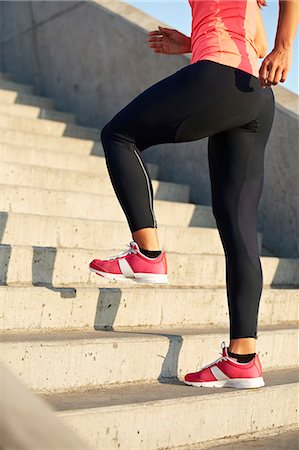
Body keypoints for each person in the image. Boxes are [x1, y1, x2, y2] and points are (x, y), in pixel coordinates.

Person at [89, 0, 298, 388]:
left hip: (221, 75)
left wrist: (285, 46)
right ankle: (242, 358)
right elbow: (239, 25)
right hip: (253, 94)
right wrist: (191, 41)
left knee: (119, 135)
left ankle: (148, 254)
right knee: (238, 227)